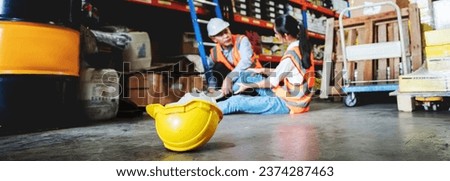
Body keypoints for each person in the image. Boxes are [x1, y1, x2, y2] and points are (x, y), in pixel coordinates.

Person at [217, 14, 315, 114]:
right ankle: (222, 95)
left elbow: (271, 82)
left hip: (289, 103)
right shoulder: (303, 48)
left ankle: (210, 107)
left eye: (276, 33)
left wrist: (248, 86)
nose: (275, 36)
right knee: (247, 76)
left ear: (286, 35)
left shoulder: (291, 55)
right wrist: (262, 70)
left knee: (237, 101)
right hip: (288, 94)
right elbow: (289, 72)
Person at [205, 18, 262, 96]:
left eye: (226, 31)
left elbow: (246, 61)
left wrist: (229, 78)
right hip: (237, 77)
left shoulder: (241, 40)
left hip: (254, 76)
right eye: (220, 34)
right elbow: (210, 69)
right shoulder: (214, 52)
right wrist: (212, 87)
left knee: (234, 90)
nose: (226, 36)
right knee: (218, 67)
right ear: (214, 39)